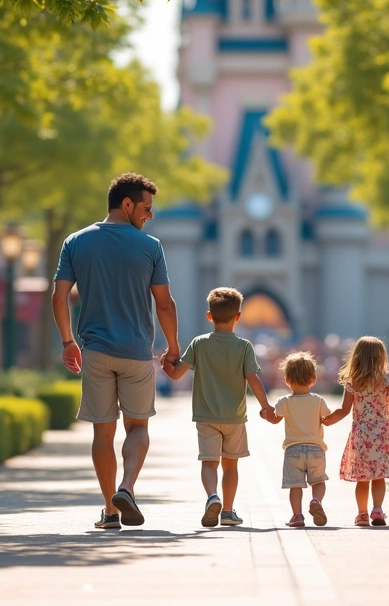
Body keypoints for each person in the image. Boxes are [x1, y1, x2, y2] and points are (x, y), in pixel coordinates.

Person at [52, 172, 180, 530]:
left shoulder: (75, 242)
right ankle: (127, 487)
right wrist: (173, 347)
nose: (150, 216)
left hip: (95, 351)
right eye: (146, 208)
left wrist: (67, 341)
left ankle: (110, 511)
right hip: (137, 352)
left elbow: (59, 297)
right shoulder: (150, 247)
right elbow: (165, 304)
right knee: (137, 427)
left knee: (102, 433)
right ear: (126, 204)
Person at [162, 287, 272, 528]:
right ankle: (229, 511)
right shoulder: (244, 347)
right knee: (230, 465)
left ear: (209, 316)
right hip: (234, 417)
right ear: (238, 317)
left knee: (209, 463)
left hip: (206, 416)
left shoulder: (199, 344)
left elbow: (176, 375)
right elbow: (253, 379)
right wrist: (266, 407)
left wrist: (165, 365)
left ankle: (213, 497)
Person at [322, 336, 389, 527]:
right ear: (381, 357)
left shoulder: (354, 381)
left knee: (363, 478)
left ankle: (362, 514)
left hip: (361, 435)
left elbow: (344, 410)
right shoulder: (386, 378)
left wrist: (327, 421)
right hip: (382, 432)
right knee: (379, 475)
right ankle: (377, 509)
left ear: (357, 357)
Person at [261, 352, 333, 528]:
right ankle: (316, 501)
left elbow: (275, 419)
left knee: (295, 486)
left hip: (293, 451)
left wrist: (265, 415)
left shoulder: (284, 401)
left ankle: (297, 515)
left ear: (286, 380)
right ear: (313, 379)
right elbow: (328, 418)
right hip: (316, 449)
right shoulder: (318, 401)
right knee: (318, 481)